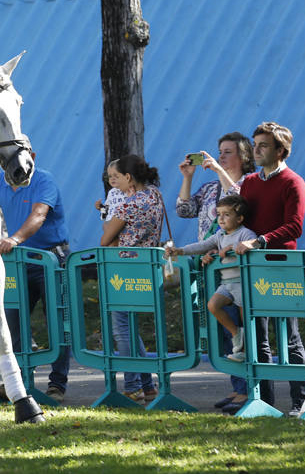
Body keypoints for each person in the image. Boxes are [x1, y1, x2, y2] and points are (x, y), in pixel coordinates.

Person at [233, 121, 305, 415]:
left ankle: (300, 401)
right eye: (255, 144)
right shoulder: (250, 182)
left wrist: (261, 241)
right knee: (258, 337)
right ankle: (264, 403)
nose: (257, 150)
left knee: (290, 337)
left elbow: (295, 226)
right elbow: (239, 222)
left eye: (263, 145)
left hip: (282, 267)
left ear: (281, 150)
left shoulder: (293, 182)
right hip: (252, 269)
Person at [175, 132, 255, 411]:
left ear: (244, 156)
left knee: (240, 325)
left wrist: (221, 171)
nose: (220, 156)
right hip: (212, 265)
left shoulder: (248, 183)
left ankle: (248, 390)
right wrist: (187, 177)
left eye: (228, 152)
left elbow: (237, 197)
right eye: (219, 151)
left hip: (235, 269)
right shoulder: (210, 188)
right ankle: (237, 388)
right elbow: (184, 210)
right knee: (225, 329)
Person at [0, 152, 72, 403]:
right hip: (19, 262)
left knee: (56, 323)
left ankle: (57, 385)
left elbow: (38, 214)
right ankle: (17, 384)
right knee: (12, 320)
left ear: (32, 156)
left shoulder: (44, 180)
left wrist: (13, 239)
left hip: (51, 259)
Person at [166, 194, 256, 363]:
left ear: (240, 218)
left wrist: (232, 247)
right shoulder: (220, 235)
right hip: (226, 283)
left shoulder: (244, 233)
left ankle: (246, 350)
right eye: (219, 214)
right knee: (213, 305)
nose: (221, 219)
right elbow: (203, 245)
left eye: (227, 214)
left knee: (248, 320)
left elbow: (253, 244)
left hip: (242, 283)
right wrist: (181, 251)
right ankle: (237, 334)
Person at [102, 154, 161, 403]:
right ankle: (147, 385)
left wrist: (108, 217)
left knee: (122, 328)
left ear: (128, 177)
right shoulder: (155, 195)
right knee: (131, 326)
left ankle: (132, 384)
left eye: (117, 177)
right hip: (146, 266)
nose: (113, 183)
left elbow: (105, 239)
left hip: (123, 267)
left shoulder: (129, 203)